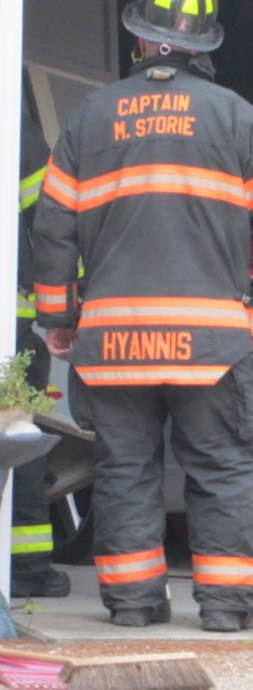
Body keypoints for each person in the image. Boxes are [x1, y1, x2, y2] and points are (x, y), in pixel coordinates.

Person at [31, 0, 253, 632]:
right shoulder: (240, 119)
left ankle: (131, 606)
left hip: (114, 344)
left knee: (125, 471)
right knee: (220, 469)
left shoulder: (89, 119)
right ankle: (224, 608)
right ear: (207, 44)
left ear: (139, 37)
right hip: (211, 346)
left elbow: (51, 227)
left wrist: (58, 318)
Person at [12, 95, 70, 599]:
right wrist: (64, 305)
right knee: (17, 437)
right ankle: (26, 567)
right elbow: (50, 214)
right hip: (12, 324)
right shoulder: (8, 109)